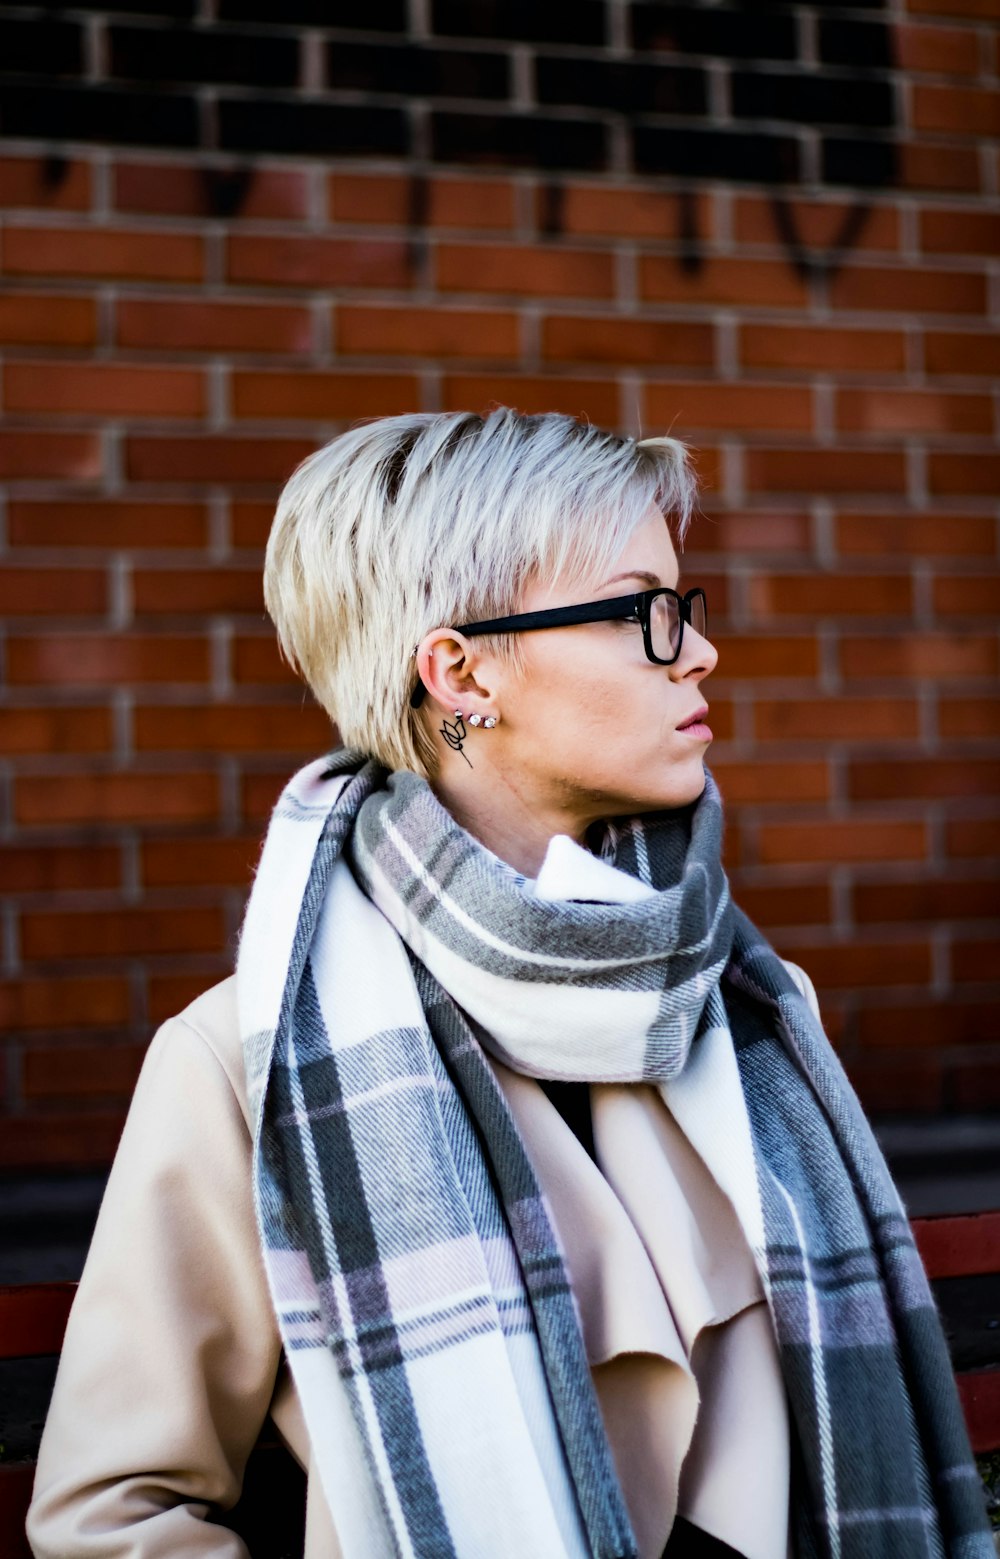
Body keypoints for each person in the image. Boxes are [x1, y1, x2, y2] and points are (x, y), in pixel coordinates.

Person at [28, 409, 991, 1559]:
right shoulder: (248, 1059)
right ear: (461, 669)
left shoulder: (749, 1004)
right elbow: (113, 1512)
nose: (695, 650)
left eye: (684, 606)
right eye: (643, 611)